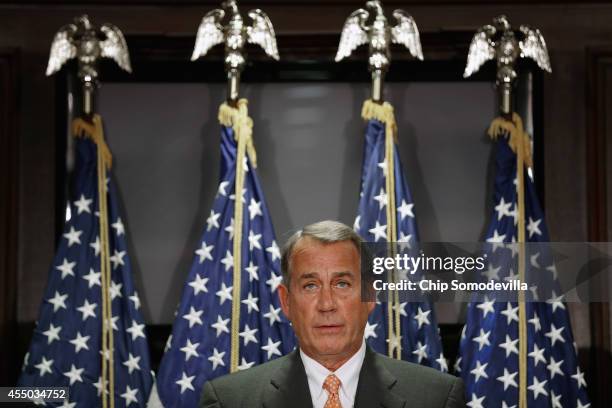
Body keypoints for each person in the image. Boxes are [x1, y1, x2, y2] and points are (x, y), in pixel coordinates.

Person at [200, 220, 465, 408]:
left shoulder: (437, 398)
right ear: (286, 301)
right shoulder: (228, 401)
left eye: (342, 284)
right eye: (310, 286)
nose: (327, 304)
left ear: (370, 296)